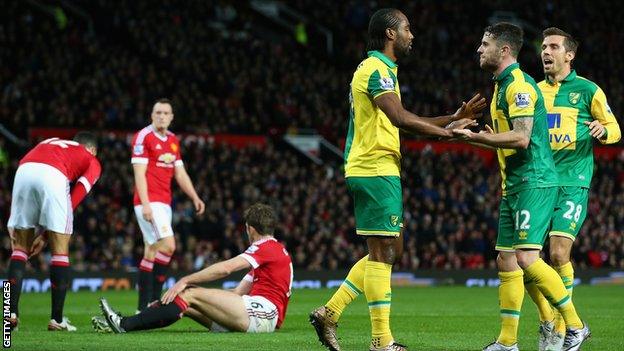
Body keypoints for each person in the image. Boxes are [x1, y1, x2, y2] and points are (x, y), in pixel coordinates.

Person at [308, 8, 486, 351]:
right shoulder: (376, 70)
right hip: (374, 167)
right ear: (390, 34)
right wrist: (449, 133)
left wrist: (453, 117)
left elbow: (402, 117)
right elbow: (400, 118)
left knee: (390, 249)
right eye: (407, 28)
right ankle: (381, 341)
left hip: (377, 167)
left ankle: (331, 312)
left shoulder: (383, 70)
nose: (411, 35)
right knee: (384, 252)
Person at [452, 22, 590, 351]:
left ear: (504, 50)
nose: (479, 49)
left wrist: (478, 137)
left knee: (528, 258)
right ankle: (507, 342)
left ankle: (574, 325)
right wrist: (474, 137)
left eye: (485, 44)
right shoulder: (500, 86)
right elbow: (503, 141)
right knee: (505, 259)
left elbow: (522, 138)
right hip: (513, 184)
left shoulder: (519, 86)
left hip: (535, 181)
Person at [523, 27, 621, 351]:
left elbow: (615, 128)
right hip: (538, 182)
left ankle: (569, 327)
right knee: (524, 260)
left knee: (558, 252)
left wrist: (602, 129)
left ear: (569, 54)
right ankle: (548, 320)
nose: (545, 52)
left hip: (572, 182)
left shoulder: (588, 90)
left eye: (553, 46)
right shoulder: (534, 91)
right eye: (543, 47)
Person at [92, 203, 293, 334]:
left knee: (188, 293)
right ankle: (124, 322)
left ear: (250, 228)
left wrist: (185, 280)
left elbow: (226, 269)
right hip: (251, 313)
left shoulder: (266, 248)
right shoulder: (269, 256)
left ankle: (124, 324)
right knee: (185, 304)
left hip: (263, 315)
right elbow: (236, 293)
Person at [6, 132, 101, 331]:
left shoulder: (54, 142)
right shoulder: (91, 159)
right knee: (60, 251)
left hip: (24, 169)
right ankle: (57, 319)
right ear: (92, 149)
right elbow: (77, 195)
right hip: (54, 173)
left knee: (20, 249)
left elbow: (34, 163)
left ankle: (10, 314)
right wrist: (49, 234)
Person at [131, 98, 205, 312]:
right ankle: (154, 300)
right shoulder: (143, 137)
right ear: (151, 115)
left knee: (151, 251)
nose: (162, 116)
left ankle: (144, 307)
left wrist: (194, 197)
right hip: (149, 202)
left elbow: (180, 173)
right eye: (158, 112)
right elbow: (139, 173)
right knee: (169, 245)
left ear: (171, 117)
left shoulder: (173, 140)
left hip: (164, 203)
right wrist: (145, 204)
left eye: (166, 113)